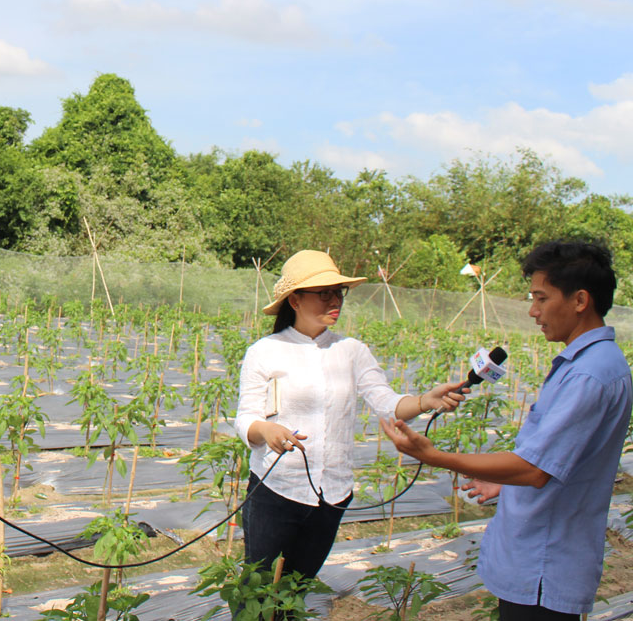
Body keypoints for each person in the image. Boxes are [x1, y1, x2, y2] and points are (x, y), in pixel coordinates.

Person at [382, 240, 632, 621]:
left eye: (541, 298)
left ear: (580, 300)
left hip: (544, 566)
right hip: (539, 556)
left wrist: (432, 456)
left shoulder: (589, 374)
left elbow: (534, 469)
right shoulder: (587, 363)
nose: (533, 311)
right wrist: (504, 482)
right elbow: (559, 459)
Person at [234, 249, 466, 583]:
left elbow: (387, 402)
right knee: (256, 588)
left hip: (333, 493)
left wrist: (425, 401)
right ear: (295, 300)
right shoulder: (265, 351)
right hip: (277, 490)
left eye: (338, 292)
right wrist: (265, 429)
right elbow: (245, 419)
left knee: (297, 588)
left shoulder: (352, 351)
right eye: (323, 293)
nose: (335, 301)